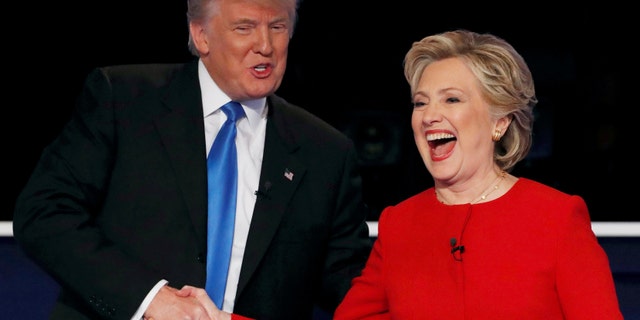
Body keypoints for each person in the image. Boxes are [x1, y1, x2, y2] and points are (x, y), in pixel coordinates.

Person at [12, 0, 372, 319]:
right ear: (201, 35)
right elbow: (45, 214)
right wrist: (149, 299)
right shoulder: (124, 100)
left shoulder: (325, 151)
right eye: (244, 27)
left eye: (277, 27)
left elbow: (349, 283)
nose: (265, 46)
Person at [333, 29, 624, 319]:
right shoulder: (399, 223)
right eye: (420, 102)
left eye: (452, 100)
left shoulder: (558, 218)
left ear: (499, 122)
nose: (429, 115)